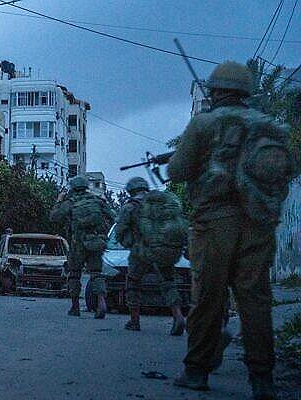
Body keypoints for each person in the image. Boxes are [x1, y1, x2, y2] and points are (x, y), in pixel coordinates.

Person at [168, 61, 295, 399]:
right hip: (259, 223)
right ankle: (262, 379)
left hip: (215, 222)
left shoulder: (204, 123)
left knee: (208, 297)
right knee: (256, 300)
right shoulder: (271, 127)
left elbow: (177, 172)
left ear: (216, 90)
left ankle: (196, 370)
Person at [115, 177, 187, 335]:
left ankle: (134, 321)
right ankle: (178, 315)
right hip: (162, 250)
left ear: (131, 190)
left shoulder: (130, 207)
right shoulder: (159, 204)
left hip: (141, 253)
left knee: (133, 282)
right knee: (168, 283)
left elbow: (120, 231)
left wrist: (129, 243)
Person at [50, 175, 114, 318]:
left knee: (74, 274)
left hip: (77, 243)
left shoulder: (70, 202)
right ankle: (101, 302)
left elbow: (54, 217)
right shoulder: (97, 200)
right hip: (96, 242)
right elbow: (112, 216)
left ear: (72, 188)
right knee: (97, 273)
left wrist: (59, 201)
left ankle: (75, 307)